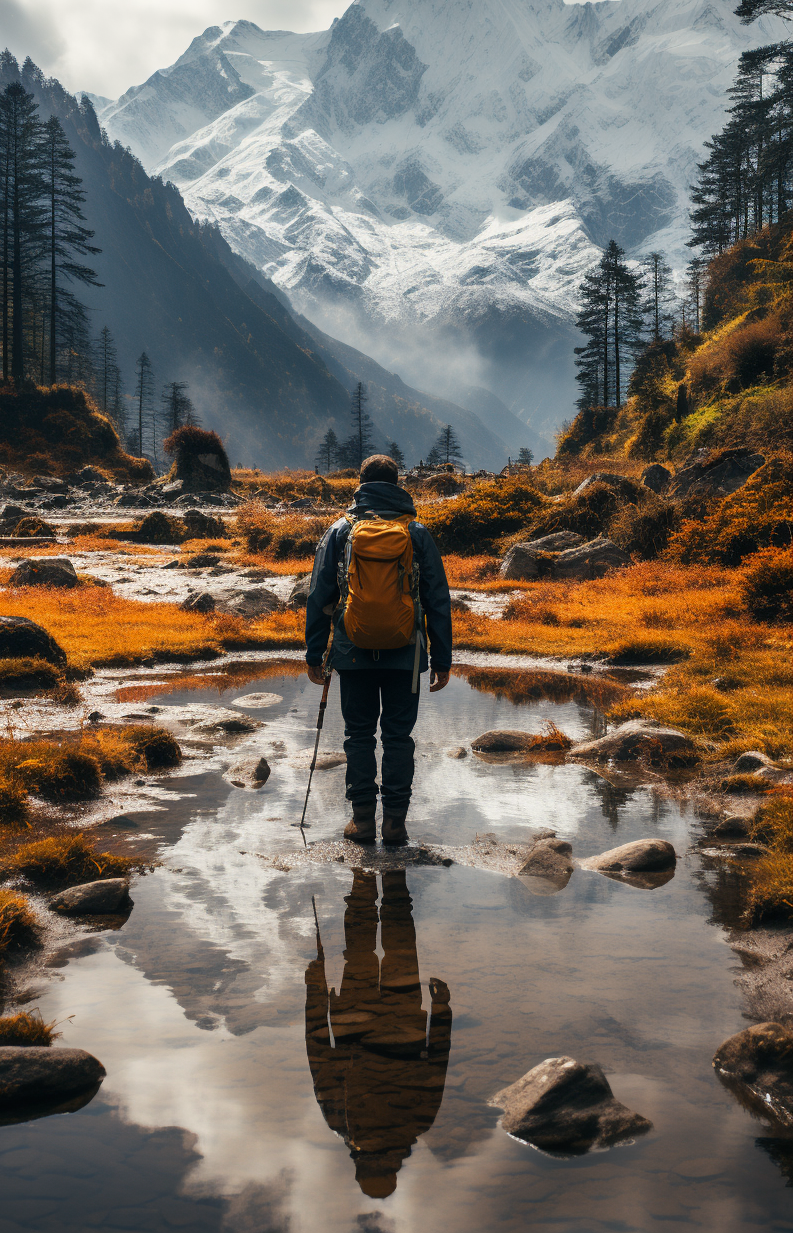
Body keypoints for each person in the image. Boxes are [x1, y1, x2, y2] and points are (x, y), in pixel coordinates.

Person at [304, 453, 453, 844]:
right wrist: (442, 659)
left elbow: (319, 595)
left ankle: (363, 821)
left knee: (358, 736)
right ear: (398, 483)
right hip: (407, 654)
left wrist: (314, 653)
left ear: (360, 482)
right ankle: (396, 824)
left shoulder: (341, 530)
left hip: (352, 652)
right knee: (399, 738)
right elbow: (438, 598)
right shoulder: (416, 532)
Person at [304, 869, 452, 1199]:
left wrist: (442, 1012)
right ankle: (369, 877)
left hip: (397, 1022)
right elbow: (317, 1052)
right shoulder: (340, 1122)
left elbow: (437, 1061)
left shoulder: (417, 1122)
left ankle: (383, 877)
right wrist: (314, 992)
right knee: (362, 951)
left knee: (391, 948)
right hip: (358, 1021)